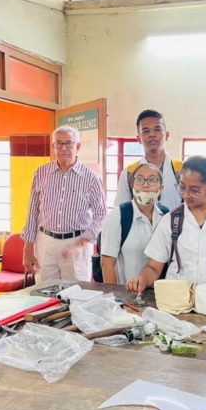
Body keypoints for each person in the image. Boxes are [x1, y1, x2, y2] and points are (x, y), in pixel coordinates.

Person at [126, 156, 206, 295]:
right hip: (177, 302)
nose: (186, 195)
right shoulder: (171, 220)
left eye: (194, 190)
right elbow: (153, 267)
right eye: (182, 187)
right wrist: (142, 279)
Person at [22, 125, 107, 283]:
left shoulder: (91, 178)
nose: (63, 148)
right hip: (45, 241)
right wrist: (27, 246)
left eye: (68, 143)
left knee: (76, 291)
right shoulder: (41, 173)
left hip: (76, 242)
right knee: (43, 291)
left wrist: (84, 241)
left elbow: (101, 213)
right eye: (58, 143)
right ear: (53, 146)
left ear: (78, 146)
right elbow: (32, 211)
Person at [100, 163, 168, 284]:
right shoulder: (117, 217)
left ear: (161, 187)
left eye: (152, 180)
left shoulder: (166, 216)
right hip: (126, 291)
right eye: (140, 180)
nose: (145, 185)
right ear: (132, 185)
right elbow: (107, 264)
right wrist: (114, 294)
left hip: (159, 291)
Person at [113, 110, 182, 210]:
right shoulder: (129, 173)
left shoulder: (183, 170)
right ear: (139, 139)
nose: (152, 134)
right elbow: (121, 211)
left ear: (166, 135)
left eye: (157, 130)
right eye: (146, 131)